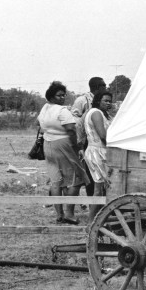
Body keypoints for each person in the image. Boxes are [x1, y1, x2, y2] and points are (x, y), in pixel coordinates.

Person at [38, 80, 89, 224]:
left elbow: (40, 125)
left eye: (63, 95)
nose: (62, 98)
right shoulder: (62, 111)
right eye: (59, 95)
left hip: (48, 144)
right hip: (63, 144)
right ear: (52, 96)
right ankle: (69, 213)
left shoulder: (45, 109)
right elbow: (71, 130)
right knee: (75, 179)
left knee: (56, 180)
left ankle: (59, 214)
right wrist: (77, 147)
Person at [69, 76, 105, 205]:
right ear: (97, 87)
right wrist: (86, 120)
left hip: (97, 141)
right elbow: (74, 119)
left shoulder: (102, 99)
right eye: (103, 86)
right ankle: (92, 203)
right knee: (90, 175)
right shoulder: (82, 100)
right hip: (87, 141)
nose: (105, 88)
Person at [82, 88, 113, 221]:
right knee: (99, 188)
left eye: (110, 101)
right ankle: (91, 221)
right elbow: (103, 135)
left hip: (101, 151)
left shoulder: (104, 113)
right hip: (97, 152)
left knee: (103, 188)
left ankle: (99, 218)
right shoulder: (96, 113)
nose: (108, 103)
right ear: (98, 101)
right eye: (105, 100)